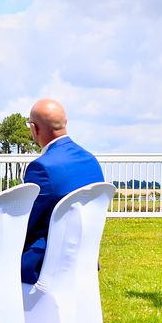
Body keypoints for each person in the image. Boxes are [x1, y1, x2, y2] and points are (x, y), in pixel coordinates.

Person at [21, 98, 104, 284]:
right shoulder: (91, 161)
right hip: (84, 258)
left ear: (34, 128)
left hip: (47, 264)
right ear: (65, 123)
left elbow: (26, 222)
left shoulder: (42, 167)